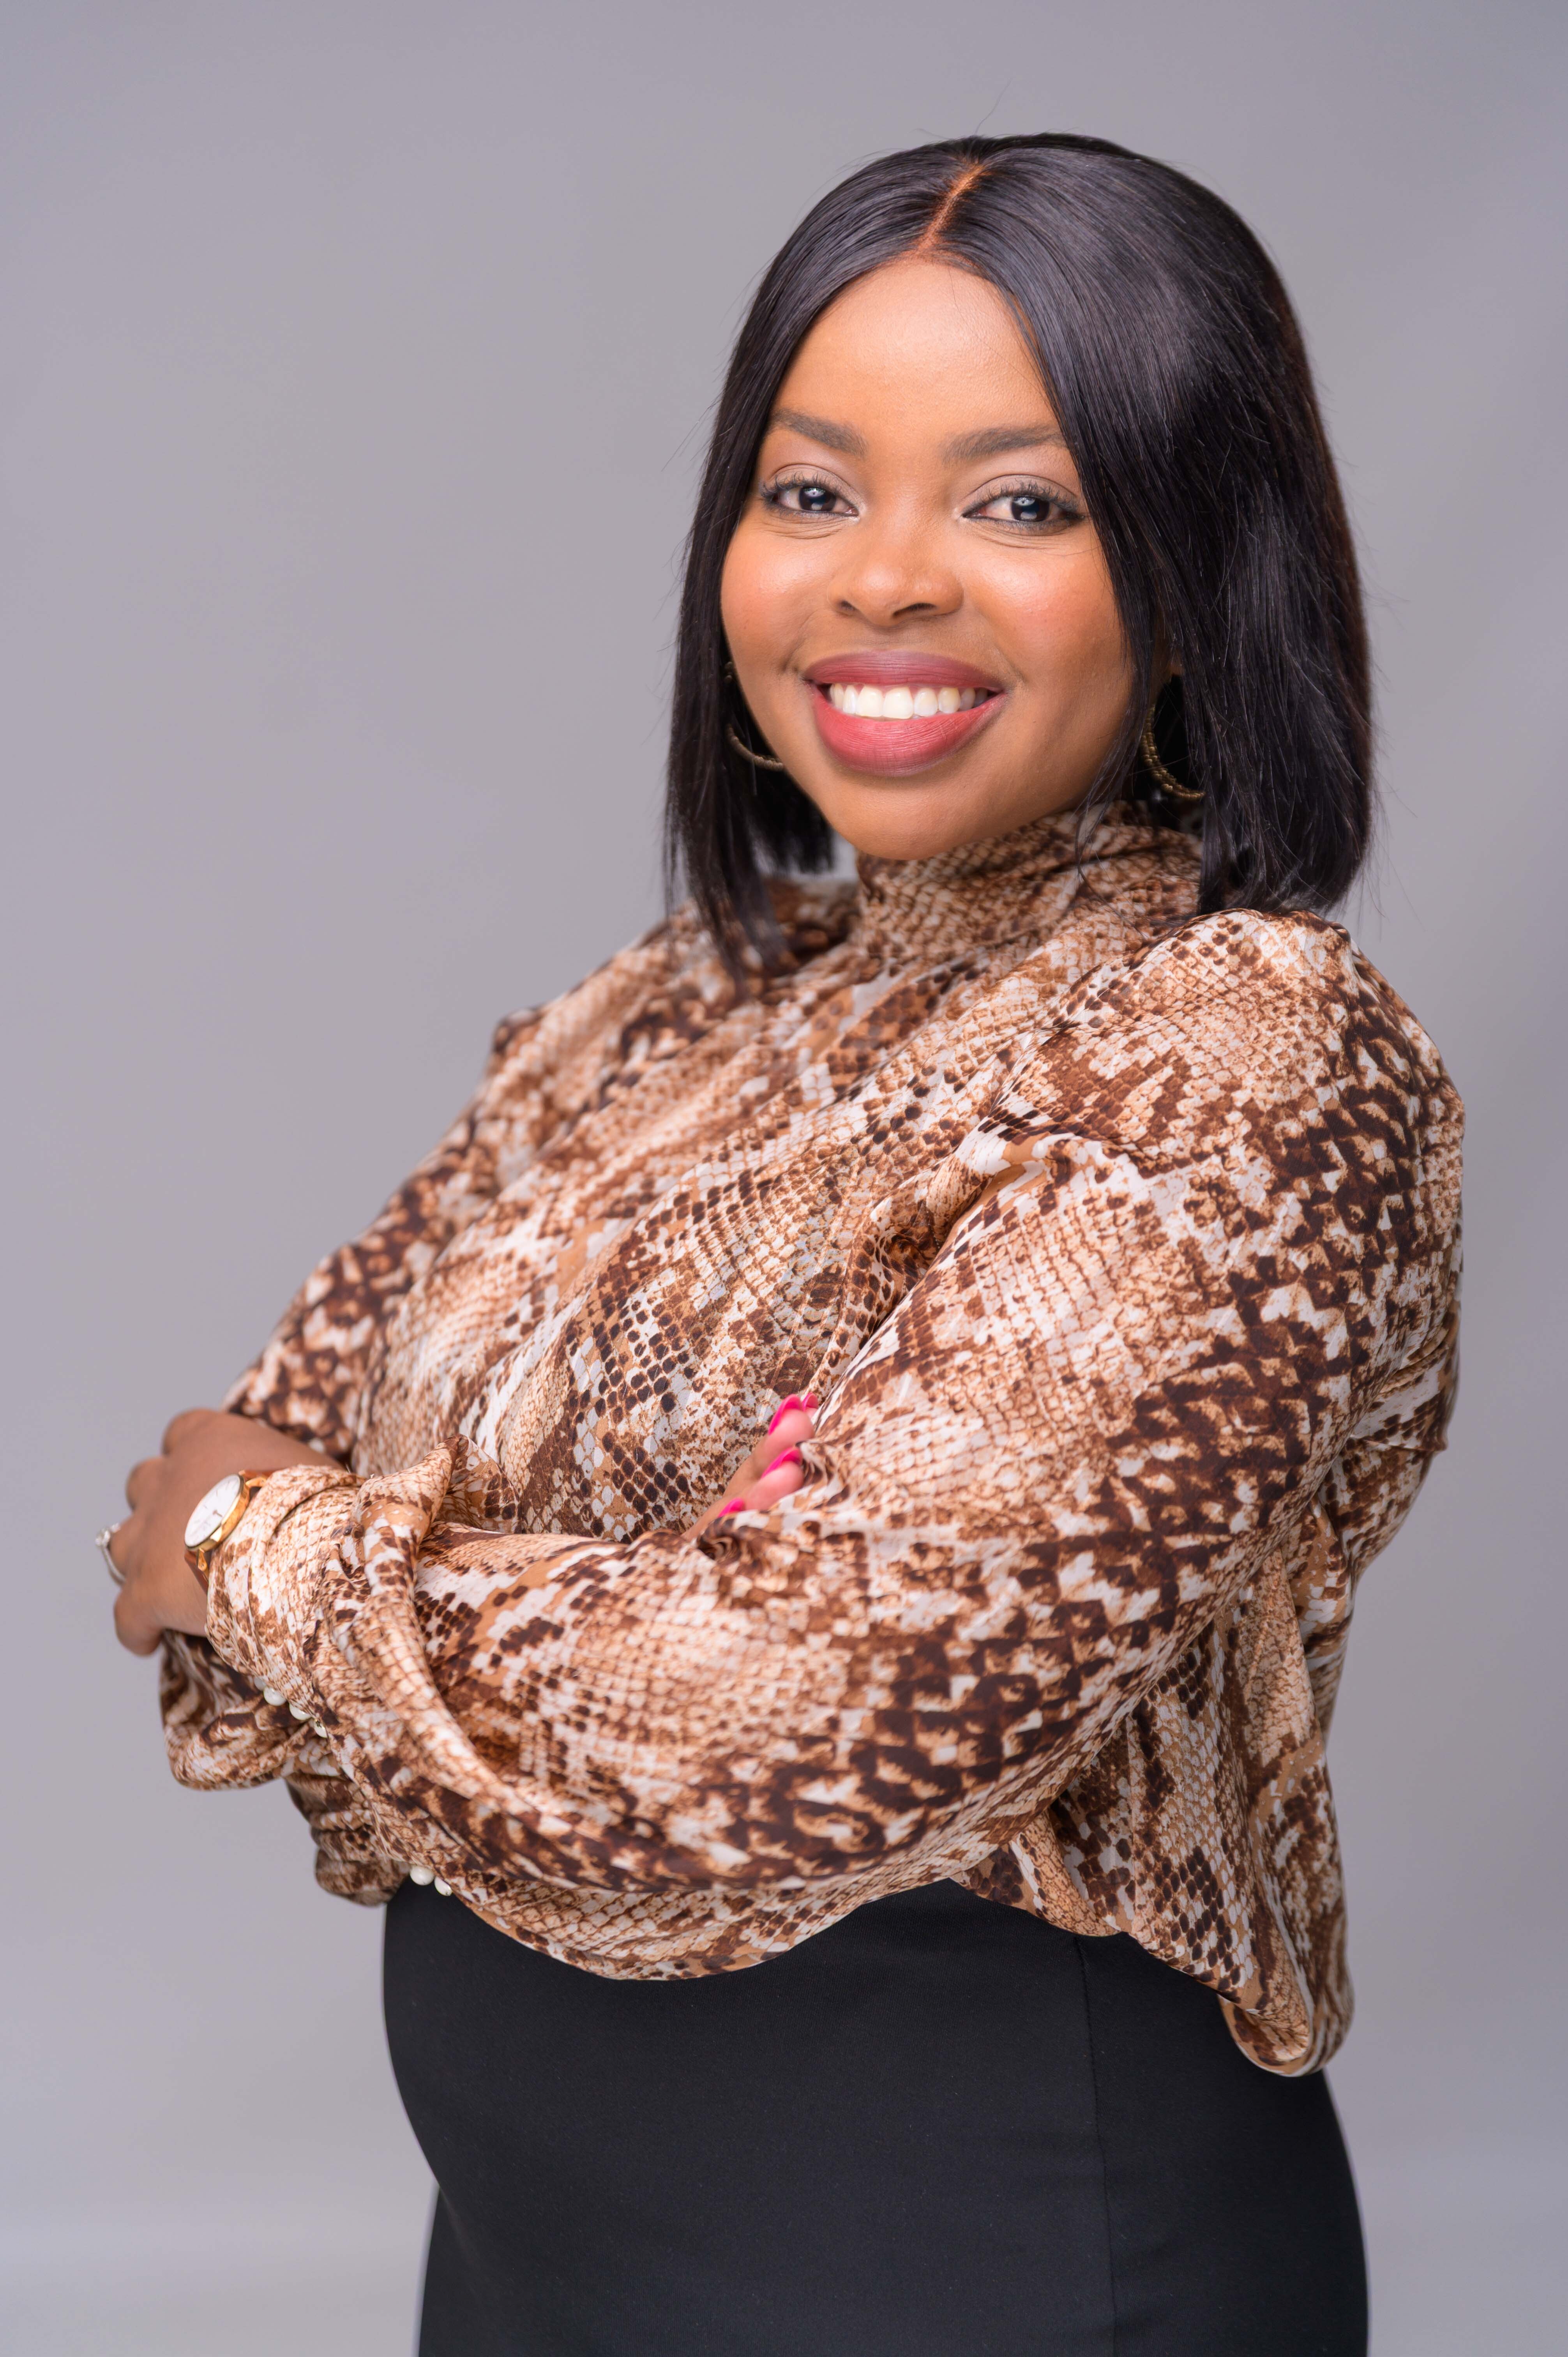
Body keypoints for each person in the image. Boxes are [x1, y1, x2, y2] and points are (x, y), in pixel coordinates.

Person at [104, 133, 1461, 2355]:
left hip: (974, 2248)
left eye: (1020, 505)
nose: (884, 578)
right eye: (811, 489)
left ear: (1199, 568)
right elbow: (256, 1452)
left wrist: (294, 1564)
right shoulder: (676, 1009)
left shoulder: (1237, 1048)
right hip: (528, 2263)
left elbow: (776, 1729)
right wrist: (523, 1606)